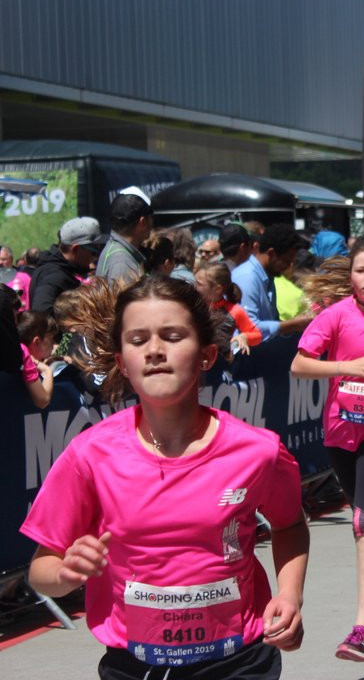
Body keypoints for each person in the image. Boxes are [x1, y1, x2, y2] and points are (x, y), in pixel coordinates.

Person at [21, 275, 309, 679]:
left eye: (172, 336)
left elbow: (291, 524)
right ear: (122, 361)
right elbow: (41, 571)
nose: (155, 350)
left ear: (207, 355)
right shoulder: (90, 454)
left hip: (239, 659)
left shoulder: (257, 451)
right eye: (138, 340)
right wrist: (65, 574)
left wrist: (290, 595)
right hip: (135, 664)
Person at [290, 237, 364, 664]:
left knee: (361, 521)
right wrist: (344, 367)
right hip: (341, 431)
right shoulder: (336, 315)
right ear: (351, 276)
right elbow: (299, 365)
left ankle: (362, 631)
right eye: (362, 271)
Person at [232, 223, 312, 341]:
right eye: (286, 261)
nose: (289, 266)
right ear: (271, 253)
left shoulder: (267, 277)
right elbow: (249, 328)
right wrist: (294, 324)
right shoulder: (247, 277)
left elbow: (270, 322)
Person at [30, 217, 102, 314]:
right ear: (75, 249)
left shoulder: (58, 270)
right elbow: (41, 312)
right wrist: (69, 326)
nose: (94, 258)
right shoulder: (55, 276)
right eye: (92, 252)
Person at [195, 262, 262, 354]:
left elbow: (257, 335)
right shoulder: (192, 305)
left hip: (219, 363)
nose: (194, 286)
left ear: (217, 289)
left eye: (199, 284)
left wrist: (244, 337)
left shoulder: (234, 311)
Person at [97, 193, 153, 284]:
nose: (152, 224)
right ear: (142, 222)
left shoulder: (115, 250)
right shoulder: (122, 263)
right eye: (151, 218)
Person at [12, 297, 55, 408]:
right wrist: (48, 371)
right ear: (36, 342)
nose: (54, 344)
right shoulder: (23, 353)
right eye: (51, 338)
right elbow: (43, 400)